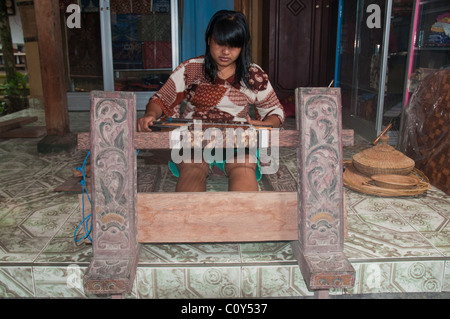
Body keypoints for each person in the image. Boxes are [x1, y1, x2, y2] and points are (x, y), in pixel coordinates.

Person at [137, 10, 285, 192]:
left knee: (244, 163)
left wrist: (266, 124)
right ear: (209, 40)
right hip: (195, 139)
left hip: (237, 140)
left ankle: (244, 217)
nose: (225, 52)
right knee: (192, 163)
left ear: (242, 46)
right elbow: (162, 98)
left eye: (233, 46)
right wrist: (151, 115)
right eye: (220, 43)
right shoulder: (191, 69)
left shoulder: (253, 74)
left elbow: (274, 110)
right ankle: (190, 217)